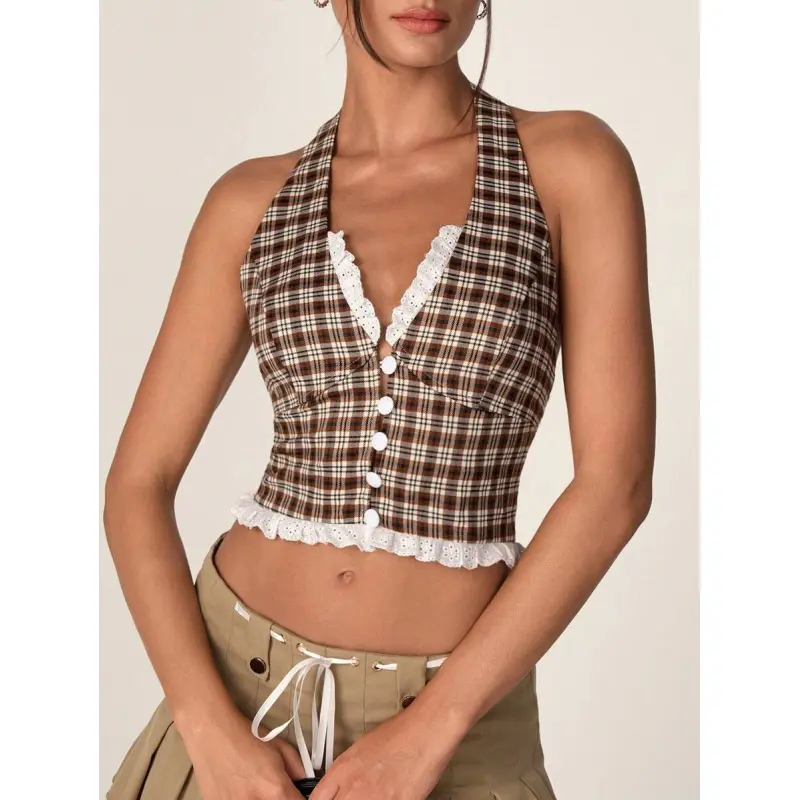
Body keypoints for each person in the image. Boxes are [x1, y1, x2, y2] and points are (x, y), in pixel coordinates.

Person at [104, 1, 655, 798]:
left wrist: (434, 727)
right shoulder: (250, 201)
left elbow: (615, 486)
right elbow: (136, 485)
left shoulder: (570, 165)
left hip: (455, 732)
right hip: (236, 711)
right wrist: (207, 727)